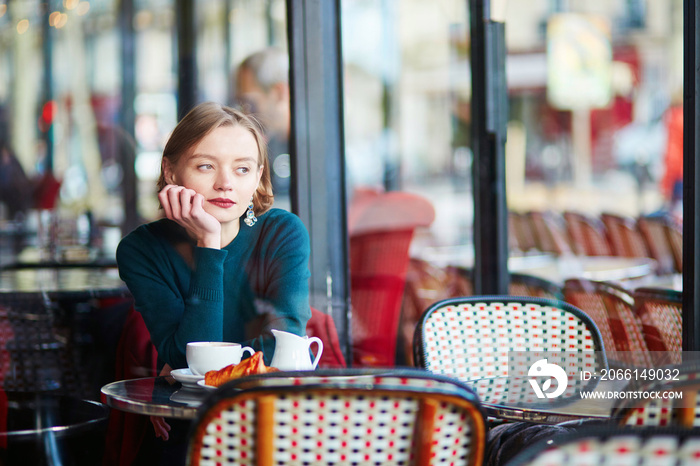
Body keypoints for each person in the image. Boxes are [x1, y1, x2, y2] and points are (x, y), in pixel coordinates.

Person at [115, 102, 311, 462]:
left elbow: (283, 347)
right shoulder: (140, 249)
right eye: (206, 166)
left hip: (270, 417)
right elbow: (184, 356)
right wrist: (210, 243)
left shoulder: (282, 233)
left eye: (242, 169)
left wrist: (188, 369)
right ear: (170, 171)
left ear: (257, 178)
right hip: (188, 424)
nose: (225, 183)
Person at [234, 47, 291, 206]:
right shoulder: (268, 145)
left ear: (280, 93)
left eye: (250, 103)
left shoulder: (317, 152)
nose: (246, 114)